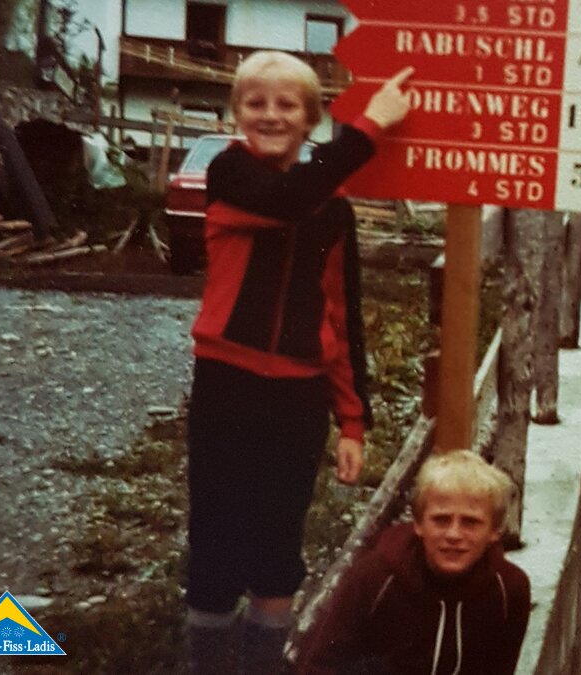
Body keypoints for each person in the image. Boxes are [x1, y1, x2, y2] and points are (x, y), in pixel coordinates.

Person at [183, 50, 413, 675]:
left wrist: (353, 420)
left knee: (279, 539)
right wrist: (369, 129)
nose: (270, 114)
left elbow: (341, 316)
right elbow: (287, 198)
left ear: (311, 119)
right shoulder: (231, 174)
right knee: (216, 533)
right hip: (226, 385)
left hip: (297, 398)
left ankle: (259, 665)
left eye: (287, 105)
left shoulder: (331, 208)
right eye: (255, 103)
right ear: (237, 113)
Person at [296, 450, 531, 675]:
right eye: (441, 520)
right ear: (418, 524)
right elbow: (318, 664)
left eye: (470, 523)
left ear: (494, 531)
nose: (454, 535)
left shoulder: (509, 589)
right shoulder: (374, 578)